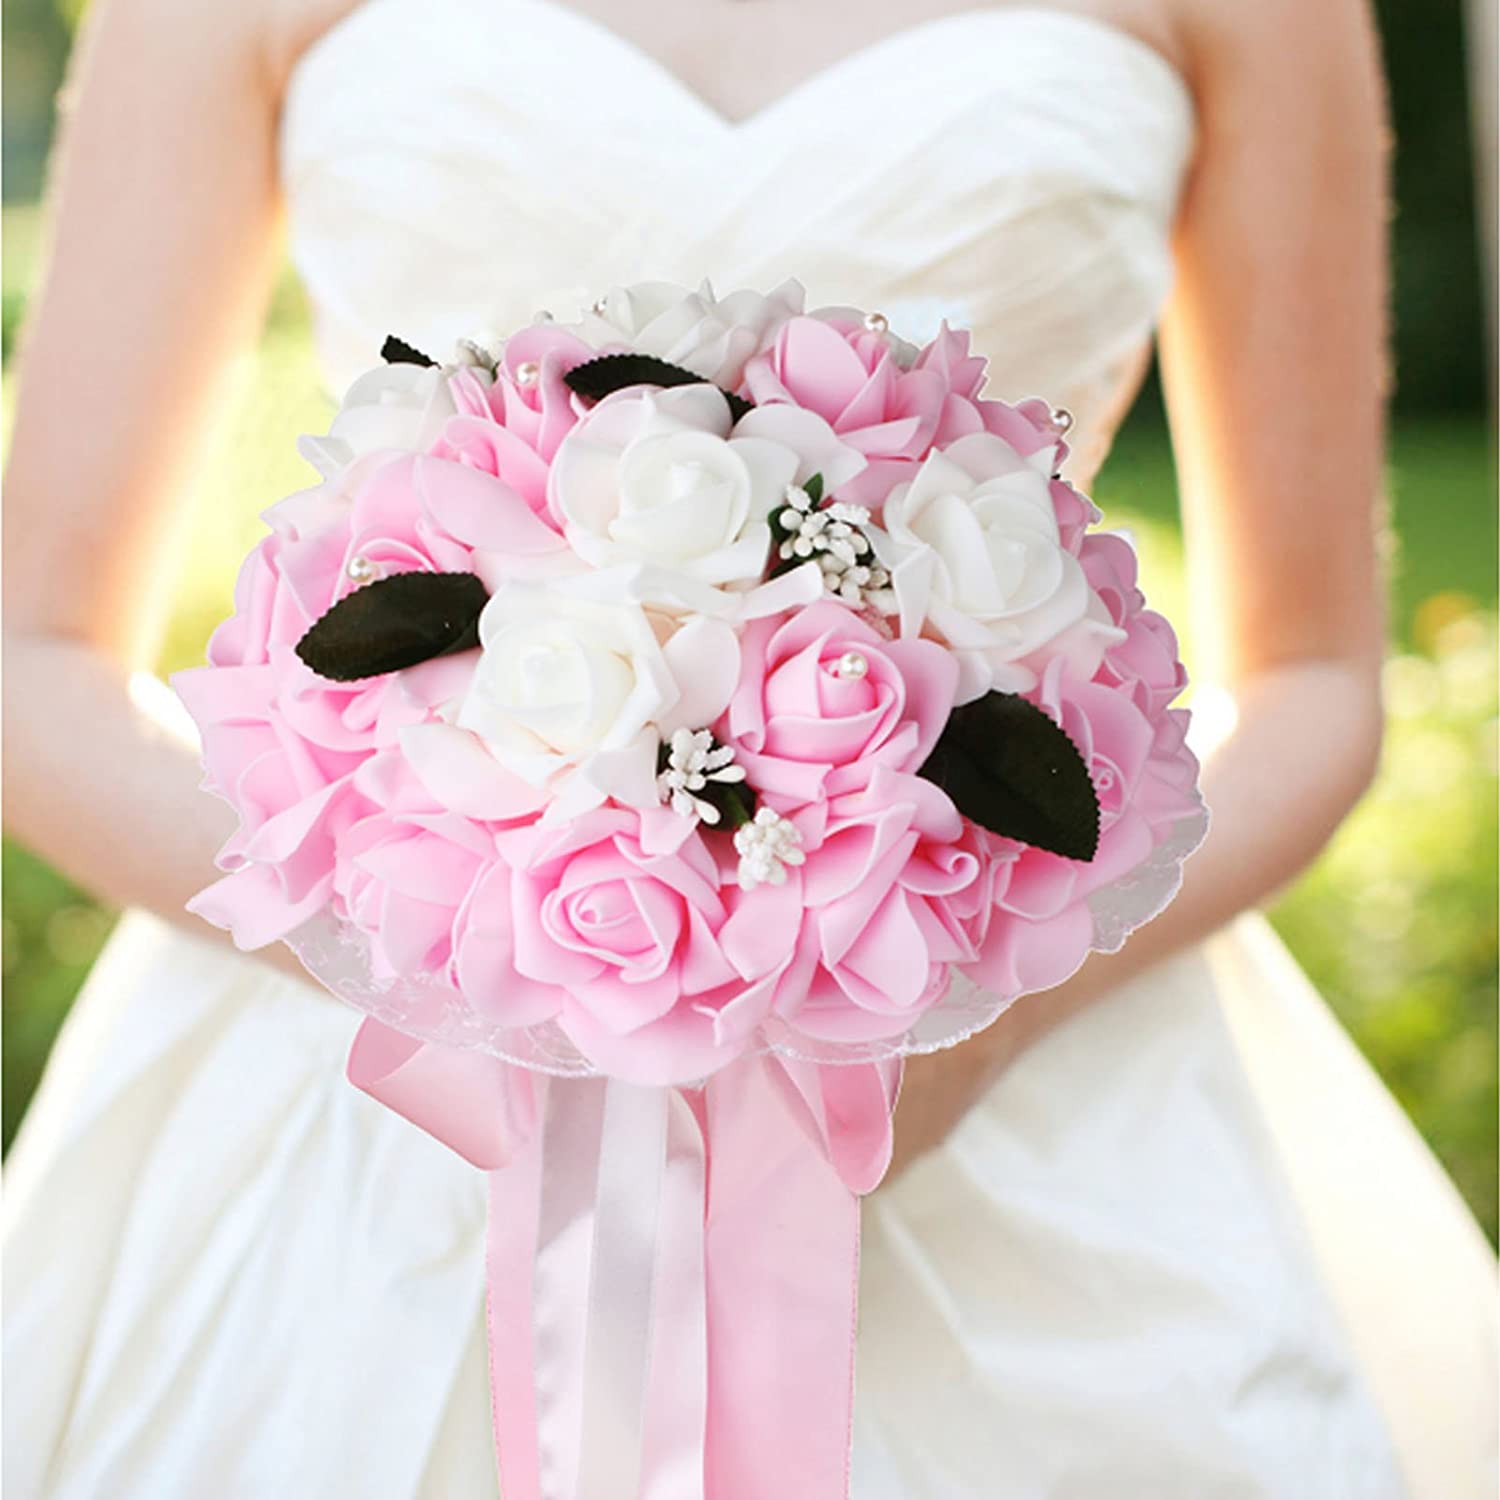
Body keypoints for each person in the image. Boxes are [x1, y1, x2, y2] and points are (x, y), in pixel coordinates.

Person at [3, 0, 1495, 1495]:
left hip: (1006, 1082)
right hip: (365, 1103)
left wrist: (973, 1024)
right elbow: (35, 659)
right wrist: (461, 970)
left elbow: (1309, 680)